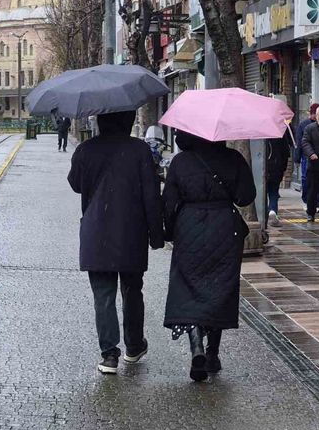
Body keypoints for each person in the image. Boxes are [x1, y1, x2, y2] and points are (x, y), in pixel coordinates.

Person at [68, 110, 164, 375]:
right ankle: (133, 346)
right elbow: (151, 195)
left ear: (100, 120)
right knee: (132, 291)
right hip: (131, 231)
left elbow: (75, 184)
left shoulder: (86, 150)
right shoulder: (140, 151)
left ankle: (109, 354)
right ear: (128, 119)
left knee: (103, 295)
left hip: (95, 230)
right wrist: (157, 235)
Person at [163, 131, 256, 382]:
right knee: (219, 289)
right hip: (225, 229)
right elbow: (246, 197)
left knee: (189, 288)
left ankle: (197, 348)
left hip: (189, 228)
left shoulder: (181, 162)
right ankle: (213, 354)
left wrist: (170, 232)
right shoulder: (233, 158)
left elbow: (168, 202)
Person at [295, 103, 319, 212]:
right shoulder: (303, 125)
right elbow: (299, 143)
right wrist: (297, 158)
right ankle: (307, 201)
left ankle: (317, 203)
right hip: (306, 158)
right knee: (306, 180)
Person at [265, 126, 293, 227]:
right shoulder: (279, 131)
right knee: (273, 191)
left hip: (261, 167)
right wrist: (283, 168)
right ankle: (272, 210)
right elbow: (286, 152)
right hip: (276, 167)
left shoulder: (257, 131)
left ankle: (264, 214)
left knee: (261, 192)